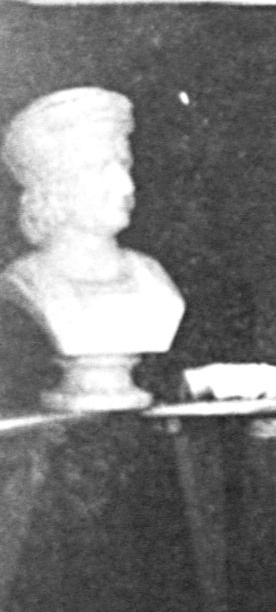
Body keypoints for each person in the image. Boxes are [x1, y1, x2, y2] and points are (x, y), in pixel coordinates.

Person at [0, 84, 184, 411]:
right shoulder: (28, 282)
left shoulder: (152, 277)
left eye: (124, 165)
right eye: (96, 169)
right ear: (52, 184)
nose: (125, 186)